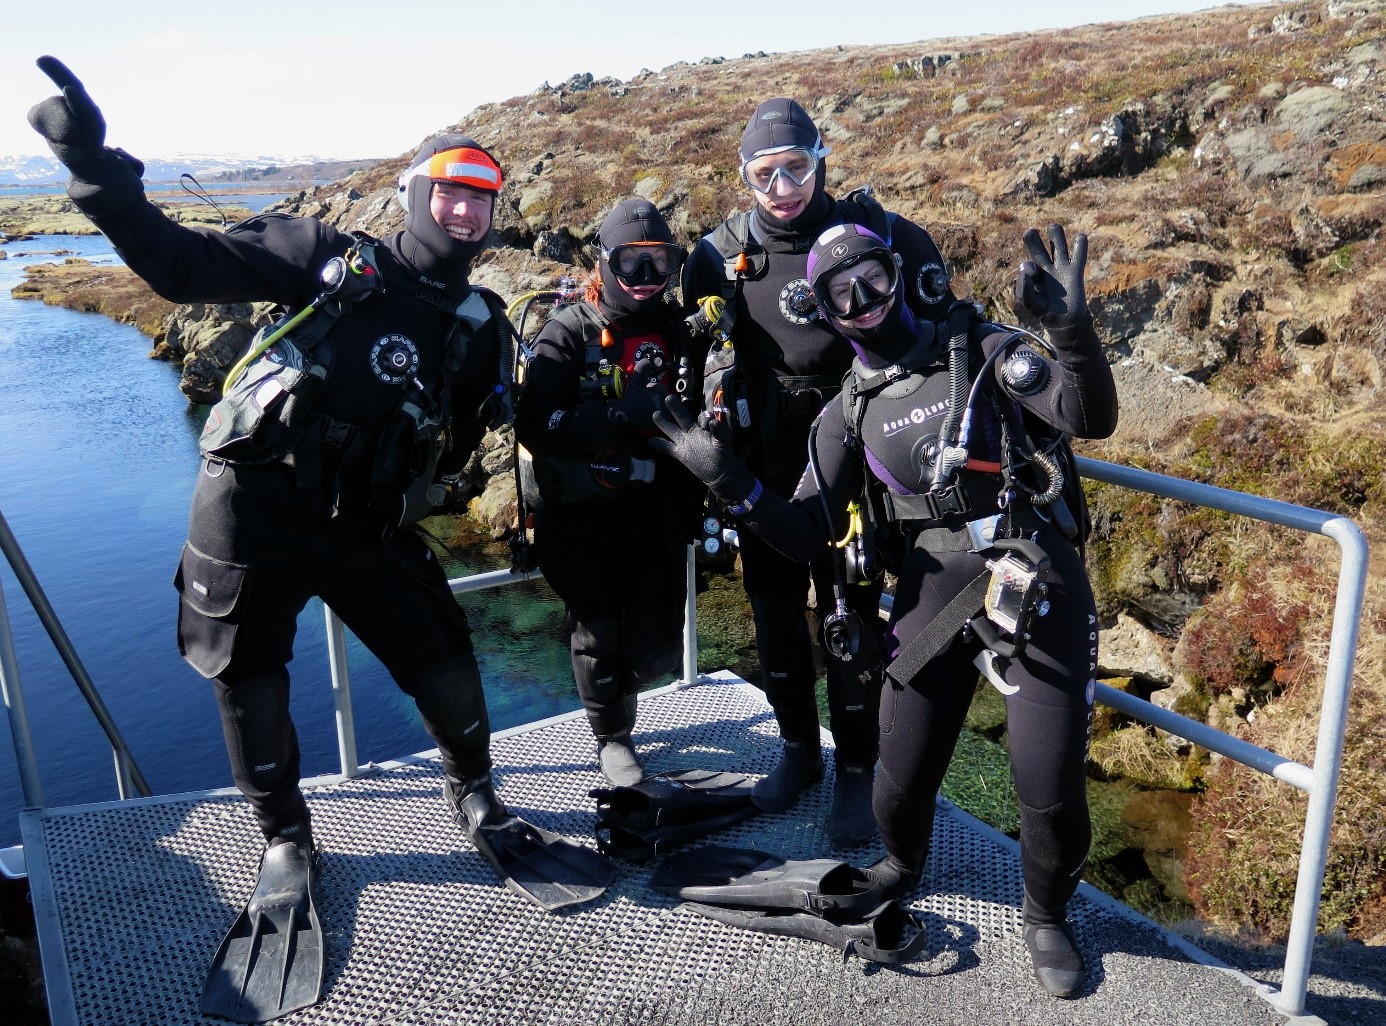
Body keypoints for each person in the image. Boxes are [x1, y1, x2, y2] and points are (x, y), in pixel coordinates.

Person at [29, 55, 610, 1020]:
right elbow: (176, 264)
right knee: (249, 679)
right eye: (450, 191)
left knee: (445, 657)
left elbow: (472, 443)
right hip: (252, 504)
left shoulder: (478, 322)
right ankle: (285, 840)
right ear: (413, 194)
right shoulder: (317, 252)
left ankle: (478, 799)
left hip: (364, 522)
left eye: (484, 198)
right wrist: (95, 171)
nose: (466, 211)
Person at [652, 221, 1118, 998]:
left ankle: (1045, 915)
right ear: (823, 310)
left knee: (1047, 783)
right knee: (896, 780)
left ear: (899, 274)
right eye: (841, 292)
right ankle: (901, 864)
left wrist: (1069, 331)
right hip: (933, 590)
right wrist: (728, 480)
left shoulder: (985, 351)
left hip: (1036, 577)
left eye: (872, 277)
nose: (862, 300)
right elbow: (806, 532)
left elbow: (1088, 416)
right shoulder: (847, 411)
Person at [681, 97, 958, 847]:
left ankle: (858, 770)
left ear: (821, 157)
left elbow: (942, 343)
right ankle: (799, 751)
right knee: (774, 615)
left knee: (853, 622)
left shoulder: (881, 237)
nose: (782, 187)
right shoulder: (718, 255)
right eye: (763, 174)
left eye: (795, 167)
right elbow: (695, 350)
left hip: (864, 469)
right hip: (768, 466)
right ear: (745, 179)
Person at [514, 197, 693, 786]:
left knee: (652, 642)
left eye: (658, 263)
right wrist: (618, 417)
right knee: (598, 633)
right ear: (603, 262)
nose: (645, 280)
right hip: (584, 512)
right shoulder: (568, 331)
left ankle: (629, 700)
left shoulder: (675, 327)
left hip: (656, 509)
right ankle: (612, 738)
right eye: (629, 263)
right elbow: (536, 427)